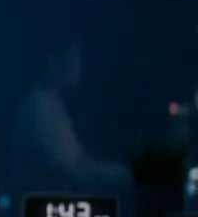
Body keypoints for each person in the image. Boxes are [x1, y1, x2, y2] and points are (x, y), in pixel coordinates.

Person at [8, 34, 132, 195]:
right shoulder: (40, 108)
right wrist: (128, 176)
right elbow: (72, 169)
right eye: (73, 58)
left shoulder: (51, 104)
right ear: (52, 62)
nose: (78, 66)